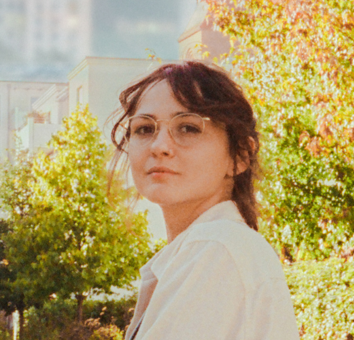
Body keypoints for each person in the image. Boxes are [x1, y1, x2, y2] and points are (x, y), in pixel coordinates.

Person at [109, 61, 299, 340]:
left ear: (240, 156)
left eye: (188, 128)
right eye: (144, 128)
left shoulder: (216, 247)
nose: (159, 146)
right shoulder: (207, 249)